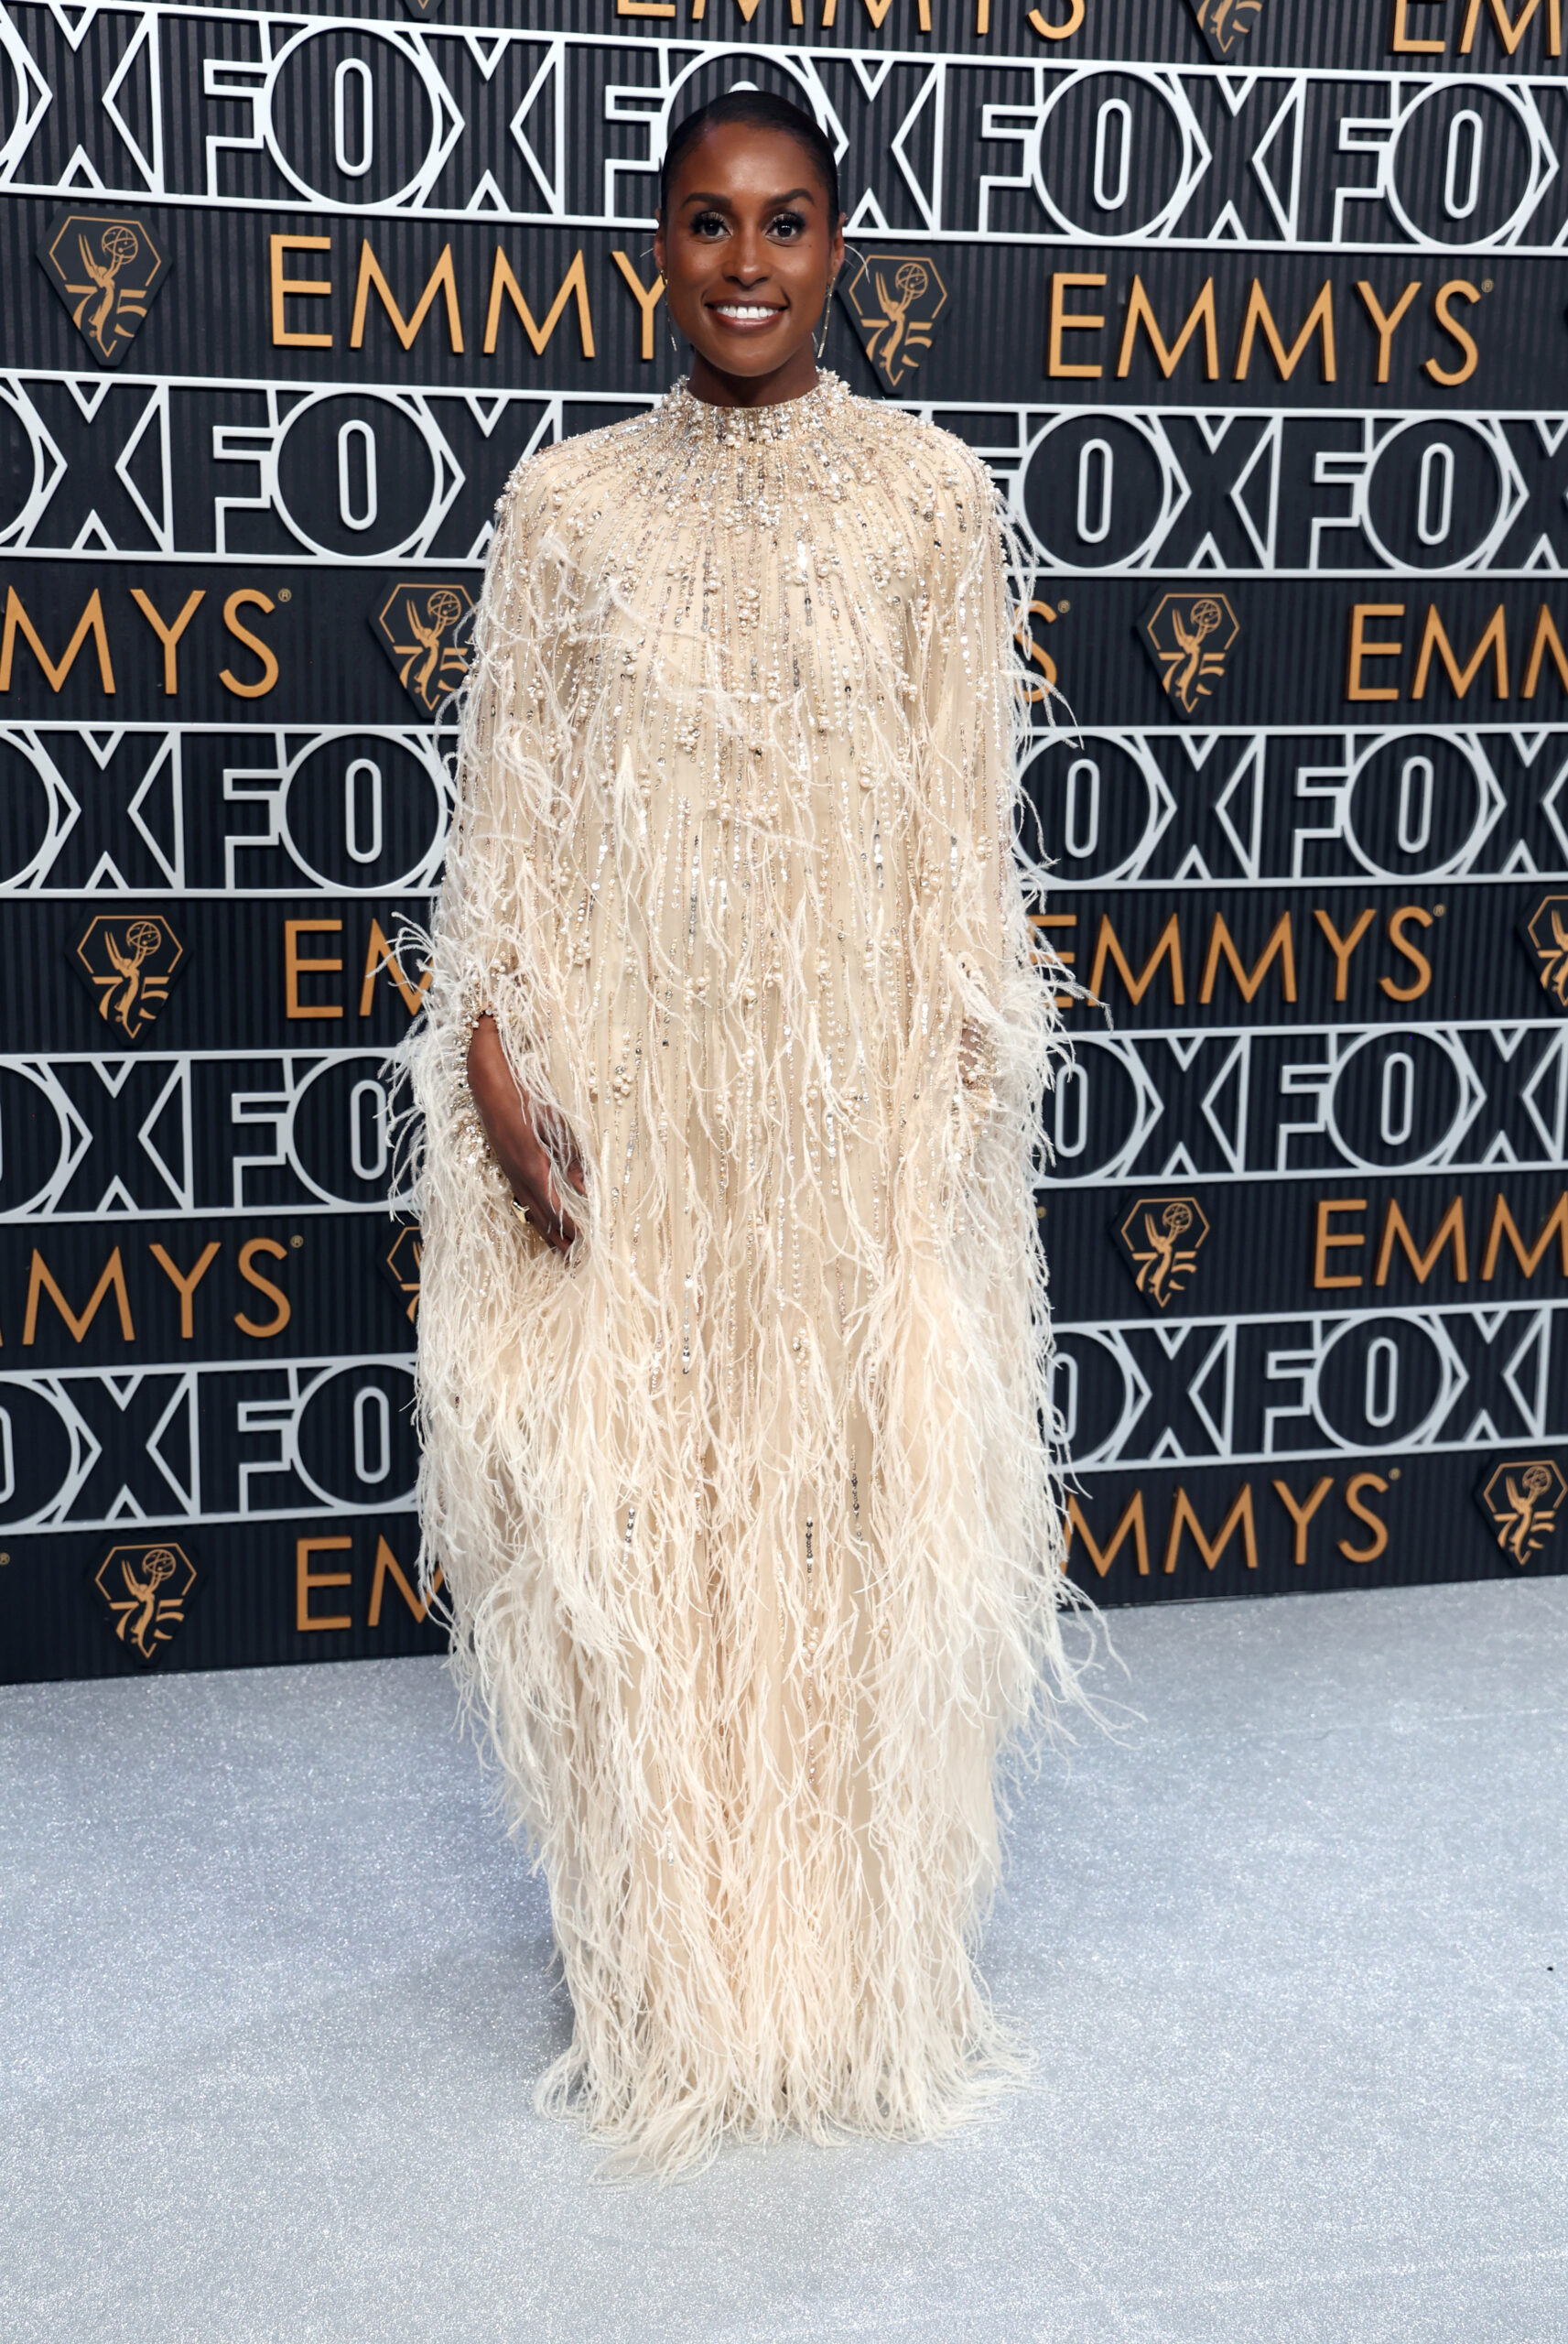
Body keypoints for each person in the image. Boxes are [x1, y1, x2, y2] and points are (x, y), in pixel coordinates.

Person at [406, 88, 1087, 2175]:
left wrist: (945, 1109)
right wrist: (498, 1066)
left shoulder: (929, 503)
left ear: (839, 246)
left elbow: (966, 841)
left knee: (849, 1534)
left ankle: (846, 1971)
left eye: (785, 223)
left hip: (849, 1116)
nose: (746, 265)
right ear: (656, 250)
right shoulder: (565, 512)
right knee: (654, 1536)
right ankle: (681, 1972)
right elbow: (508, 811)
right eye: (706, 224)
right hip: (641, 1124)